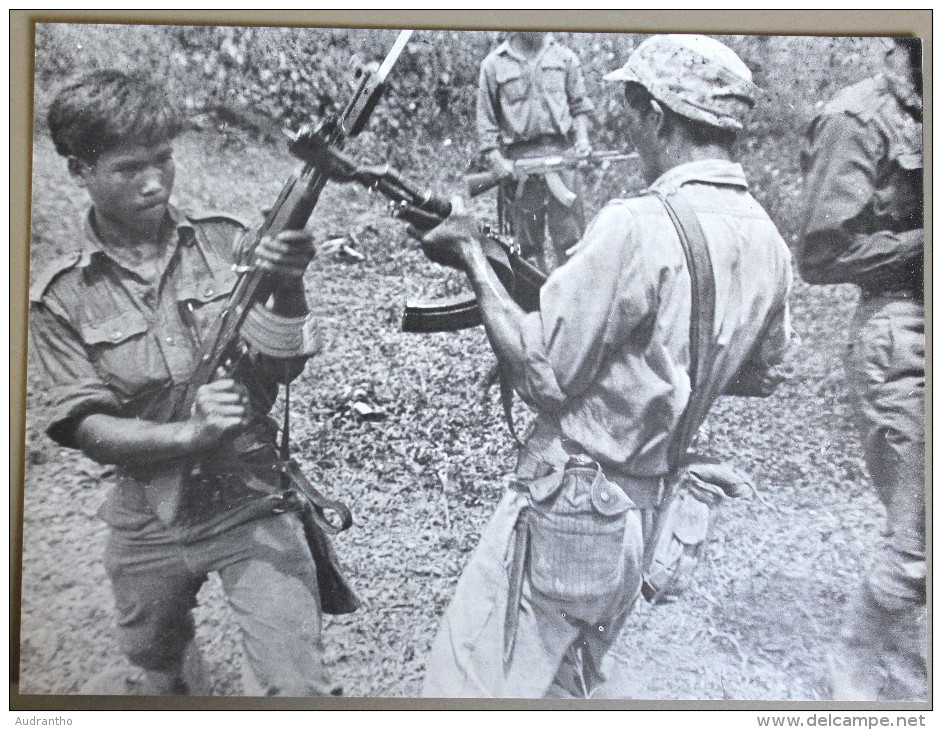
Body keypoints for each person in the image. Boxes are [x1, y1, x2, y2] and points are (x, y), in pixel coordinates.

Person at [420, 35, 794, 698]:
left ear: (656, 114)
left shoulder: (637, 225)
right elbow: (760, 370)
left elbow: (543, 376)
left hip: (572, 505)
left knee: (466, 687)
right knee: (565, 684)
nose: (627, 120)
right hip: (649, 513)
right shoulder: (766, 237)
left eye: (632, 105)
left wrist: (474, 257)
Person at [29, 69, 356, 696]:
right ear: (79, 172)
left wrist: (289, 281)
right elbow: (90, 430)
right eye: (128, 169)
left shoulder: (228, 241)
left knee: (298, 691)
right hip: (147, 511)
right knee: (161, 667)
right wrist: (191, 433)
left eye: (163, 159)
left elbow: (283, 366)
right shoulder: (60, 298)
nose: (154, 182)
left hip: (248, 494)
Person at [796, 37, 925, 701]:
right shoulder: (858, 118)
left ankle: (911, 663)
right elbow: (821, 254)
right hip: (905, 327)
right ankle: (855, 676)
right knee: (921, 534)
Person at [476, 31, 595, 273]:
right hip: (520, 163)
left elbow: (579, 105)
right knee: (526, 248)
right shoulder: (493, 65)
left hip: (562, 156)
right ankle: (532, 300)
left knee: (572, 241)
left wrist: (582, 140)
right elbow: (485, 122)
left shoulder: (565, 58)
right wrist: (496, 160)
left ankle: (571, 301)